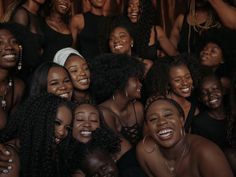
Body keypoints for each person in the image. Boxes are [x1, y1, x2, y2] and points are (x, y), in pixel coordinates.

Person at [136, 97, 234, 177]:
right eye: (153, 119)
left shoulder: (206, 153)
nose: (161, 122)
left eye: (168, 115)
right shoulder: (145, 151)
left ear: (181, 120)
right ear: (148, 127)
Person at [0, 93, 73, 177]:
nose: (62, 132)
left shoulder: (43, 152)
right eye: (56, 123)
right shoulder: (8, 158)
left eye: (67, 128)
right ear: (38, 120)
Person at [90, 53, 145, 146]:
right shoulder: (103, 113)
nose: (140, 84)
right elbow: (119, 149)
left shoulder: (138, 108)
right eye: (135, 80)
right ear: (121, 80)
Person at [143, 55, 199, 132]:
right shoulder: (156, 102)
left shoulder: (194, 110)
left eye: (187, 77)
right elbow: (147, 137)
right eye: (177, 80)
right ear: (168, 83)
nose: (185, 83)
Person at [191, 74, 228, 149]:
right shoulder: (199, 123)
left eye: (215, 89)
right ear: (200, 98)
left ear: (223, 90)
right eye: (204, 93)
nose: (211, 95)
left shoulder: (232, 113)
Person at [0, 23, 25, 129]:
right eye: (0, 43)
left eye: (14, 42)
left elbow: (14, 132)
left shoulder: (18, 87)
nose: (9, 47)